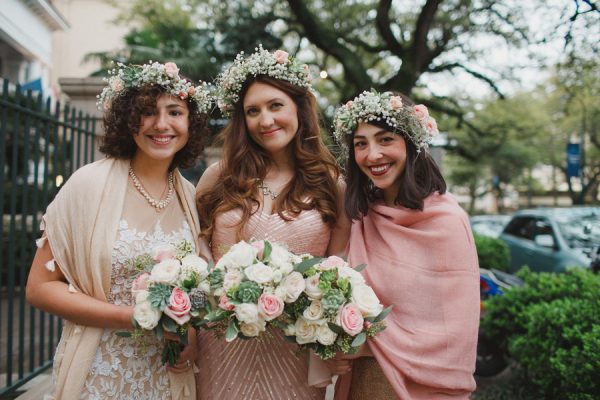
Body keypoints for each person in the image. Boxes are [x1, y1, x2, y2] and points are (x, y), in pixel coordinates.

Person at [25, 61, 212, 399]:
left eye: (175, 112)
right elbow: (39, 288)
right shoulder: (88, 185)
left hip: (166, 374)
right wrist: (133, 317)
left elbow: (199, 289)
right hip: (100, 372)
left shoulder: (189, 196)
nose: (161, 124)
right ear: (128, 120)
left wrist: (191, 333)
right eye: (147, 112)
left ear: (191, 123)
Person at [194, 46, 350, 399]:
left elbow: (340, 266)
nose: (265, 121)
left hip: (293, 348)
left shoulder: (330, 183)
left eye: (275, 105)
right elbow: (196, 256)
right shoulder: (218, 177)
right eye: (253, 111)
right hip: (222, 342)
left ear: (299, 107)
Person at [328, 90, 480, 399]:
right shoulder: (359, 217)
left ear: (411, 144)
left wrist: (364, 345)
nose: (372, 155)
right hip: (365, 384)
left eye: (385, 140)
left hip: (427, 386)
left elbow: (455, 330)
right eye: (361, 144)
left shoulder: (447, 222)